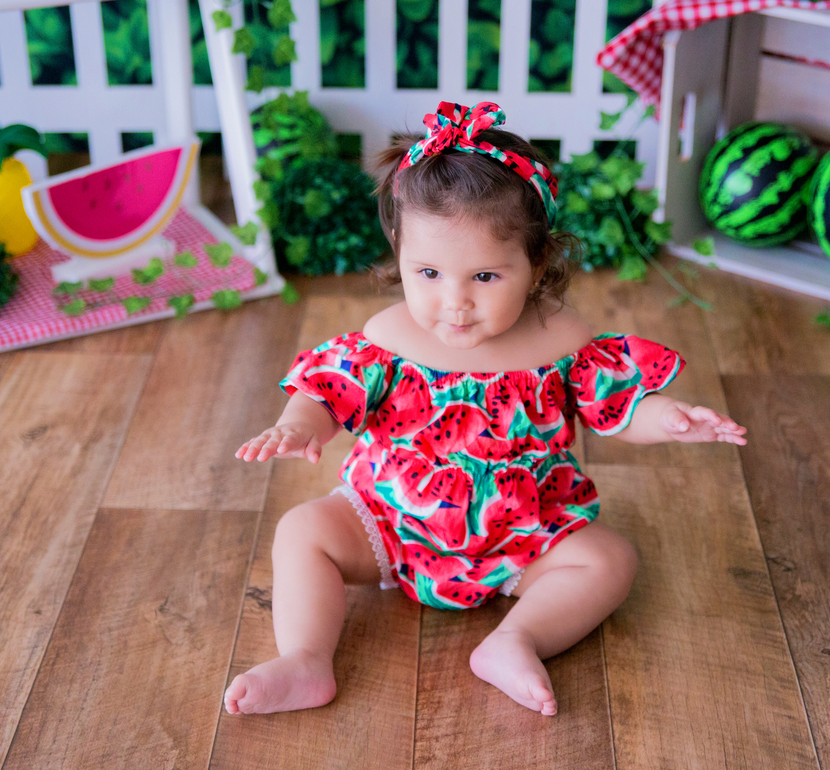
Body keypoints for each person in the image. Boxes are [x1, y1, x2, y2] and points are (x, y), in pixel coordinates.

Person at [224, 101, 747, 717]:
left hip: (525, 531)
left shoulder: (563, 344)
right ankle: (306, 660)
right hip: (392, 523)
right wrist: (297, 424)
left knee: (610, 560)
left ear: (536, 265)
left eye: (485, 278)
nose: (455, 302)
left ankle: (515, 639)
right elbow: (329, 392)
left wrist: (670, 420)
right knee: (301, 531)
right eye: (428, 271)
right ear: (398, 253)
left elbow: (620, 409)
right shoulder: (388, 339)